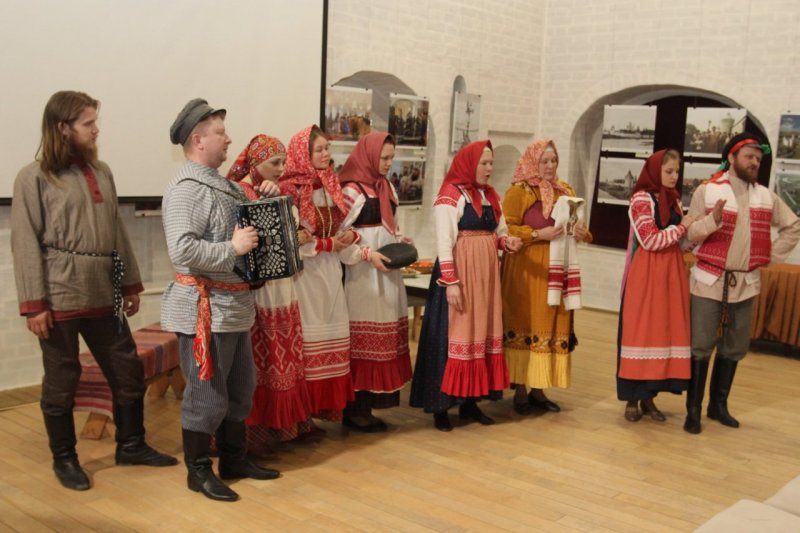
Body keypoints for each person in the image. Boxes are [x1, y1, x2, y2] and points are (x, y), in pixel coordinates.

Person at [10, 91, 177, 491]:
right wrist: (35, 304)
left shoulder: (101, 171)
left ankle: (131, 445)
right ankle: (65, 459)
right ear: (63, 128)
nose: (96, 129)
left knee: (127, 369)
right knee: (61, 379)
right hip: (59, 293)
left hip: (103, 289)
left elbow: (115, 230)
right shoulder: (33, 178)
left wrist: (129, 283)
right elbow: (25, 242)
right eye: (88, 123)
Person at [162, 99, 280, 502]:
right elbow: (182, 250)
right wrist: (232, 248)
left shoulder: (224, 185)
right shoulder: (187, 189)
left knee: (241, 388)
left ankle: (234, 459)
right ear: (198, 139)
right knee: (206, 395)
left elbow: (250, 234)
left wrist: (265, 198)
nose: (229, 139)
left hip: (233, 309)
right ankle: (198, 472)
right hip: (205, 310)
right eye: (220, 132)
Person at [684, 132, 800, 434]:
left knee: (734, 347)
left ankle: (718, 406)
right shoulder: (707, 190)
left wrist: (770, 255)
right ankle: (693, 411)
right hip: (709, 279)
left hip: (746, 281)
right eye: (749, 157)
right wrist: (713, 221)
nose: (755, 163)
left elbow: (793, 225)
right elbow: (689, 234)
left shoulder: (766, 196)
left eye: (758, 159)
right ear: (732, 157)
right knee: (700, 346)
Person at [410, 140, 521, 431]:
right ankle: (441, 406)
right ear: (469, 164)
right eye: (484, 163)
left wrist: (506, 242)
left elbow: (497, 232)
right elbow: (444, 242)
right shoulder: (450, 195)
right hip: (459, 276)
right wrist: (451, 282)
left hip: (485, 278)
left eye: (491, 163)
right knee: (451, 336)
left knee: (479, 333)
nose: (489, 168)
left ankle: (470, 402)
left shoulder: (490, 195)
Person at [225, 134, 316, 447]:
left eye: (283, 162)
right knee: (259, 361)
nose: (280, 169)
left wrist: (281, 204)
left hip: (282, 288)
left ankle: (283, 427)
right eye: (274, 162)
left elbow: (291, 234)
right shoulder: (237, 191)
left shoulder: (274, 190)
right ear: (255, 163)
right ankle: (254, 433)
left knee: (282, 357)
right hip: (257, 291)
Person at [501, 139, 592, 415]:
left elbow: (580, 227)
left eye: (554, 161)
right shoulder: (519, 191)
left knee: (550, 325)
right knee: (525, 322)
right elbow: (505, 229)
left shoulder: (566, 191)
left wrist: (583, 233)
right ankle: (519, 389)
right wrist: (537, 234)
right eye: (544, 161)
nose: (550, 166)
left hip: (557, 268)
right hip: (526, 269)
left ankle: (539, 389)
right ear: (533, 162)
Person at [617, 149, 706, 422]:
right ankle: (632, 398)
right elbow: (650, 239)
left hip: (671, 273)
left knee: (661, 332)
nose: (674, 176)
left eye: (677, 171)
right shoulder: (641, 199)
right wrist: (683, 227)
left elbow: (681, 244)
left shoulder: (674, 199)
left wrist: (702, 229)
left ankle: (649, 397)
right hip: (647, 273)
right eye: (668, 171)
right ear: (656, 171)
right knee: (641, 332)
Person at [279, 125, 360, 423]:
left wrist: (349, 237)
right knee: (309, 339)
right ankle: (301, 416)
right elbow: (292, 242)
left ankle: (320, 410)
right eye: (319, 149)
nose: (326, 154)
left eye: (328, 148)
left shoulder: (330, 183)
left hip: (329, 271)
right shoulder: (290, 189)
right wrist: (328, 244)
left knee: (332, 334)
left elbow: (339, 226)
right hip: (305, 275)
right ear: (304, 153)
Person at [338, 132, 413, 431]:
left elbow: (391, 227)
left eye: (392, 157)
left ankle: (369, 407)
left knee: (384, 338)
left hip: (387, 274)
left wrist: (400, 241)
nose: (389, 163)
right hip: (362, 277)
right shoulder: (351, 190)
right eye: (384, 157)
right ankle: (355, 410)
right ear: (368, 156)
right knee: (362, 342)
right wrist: (367, 254)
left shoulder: (387, 187)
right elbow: (340, 237)